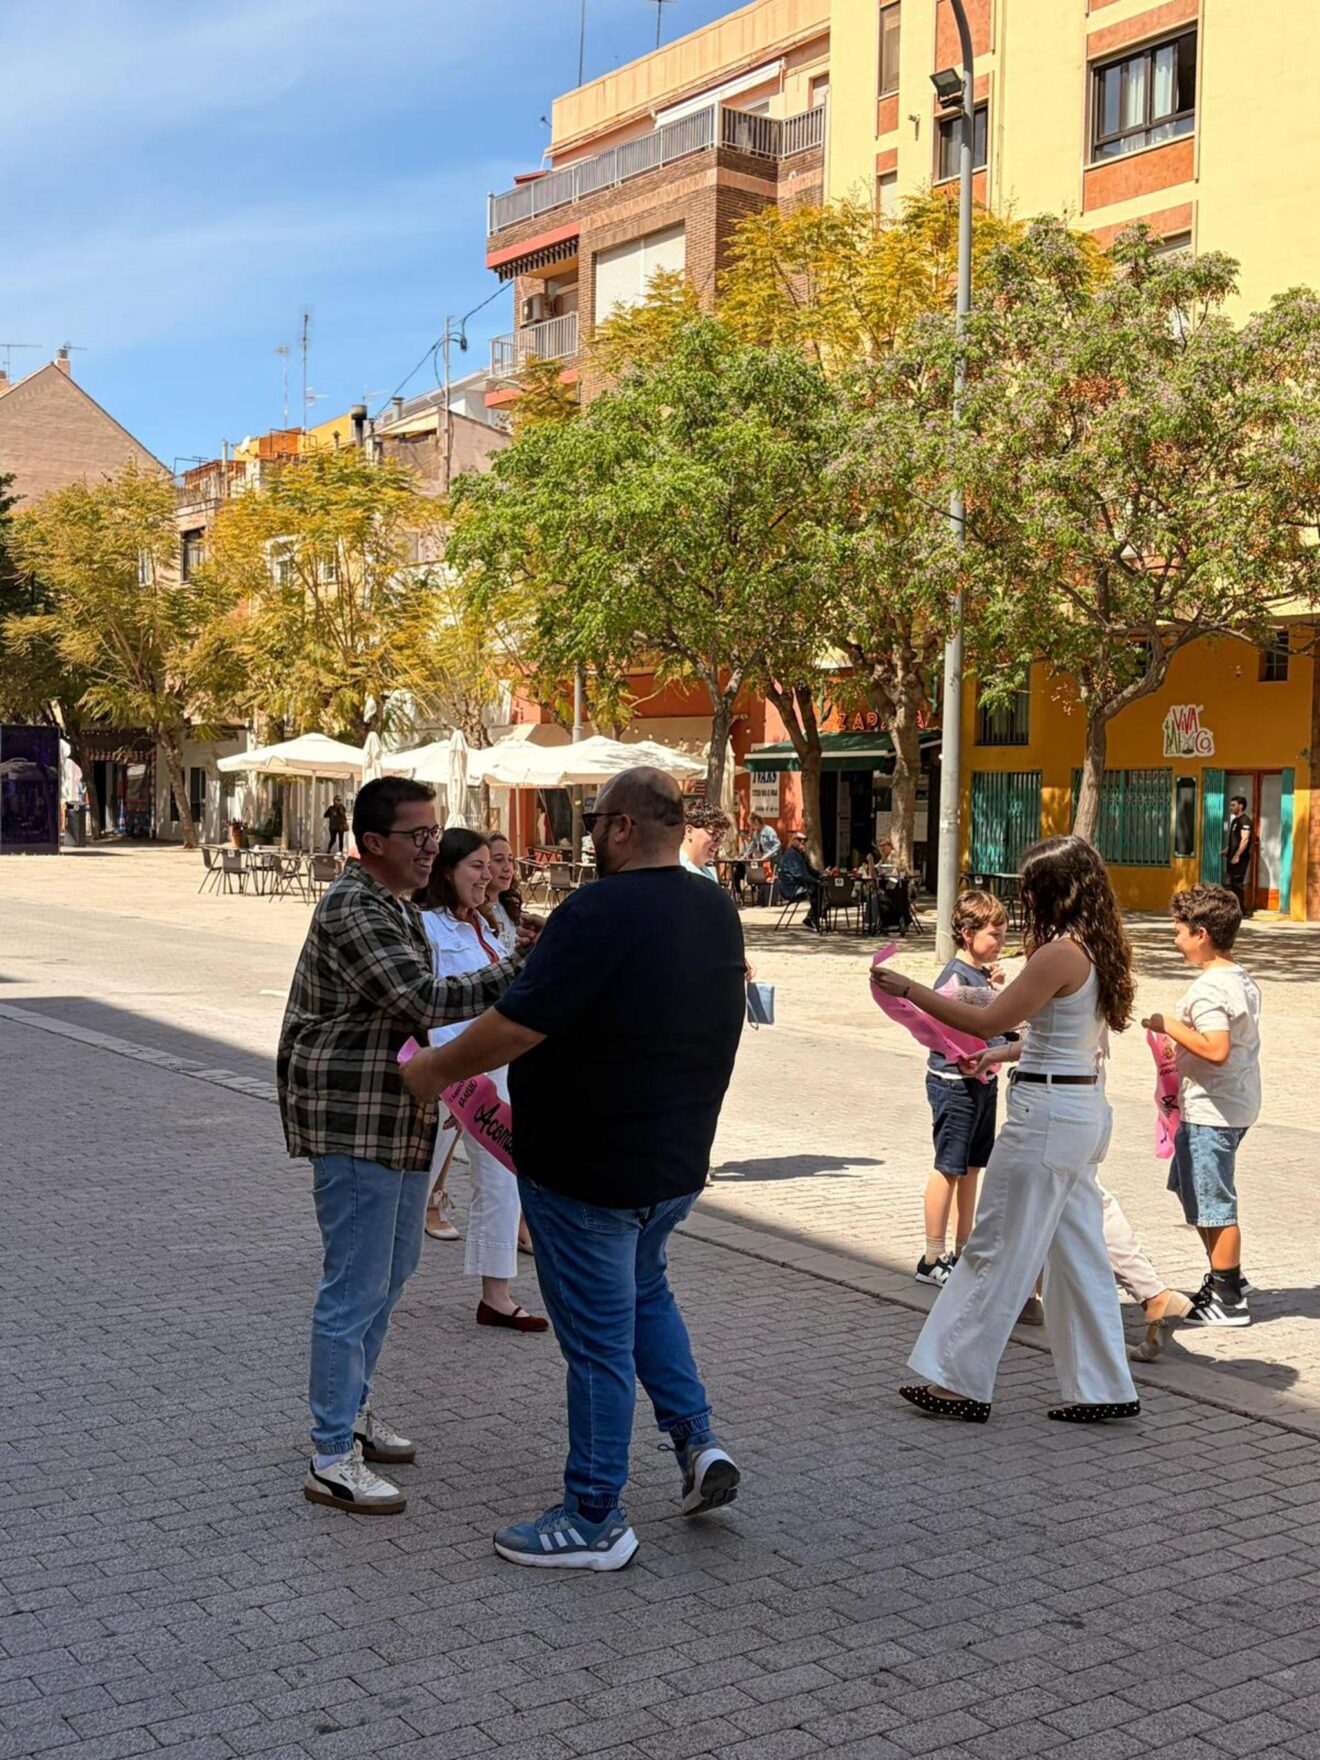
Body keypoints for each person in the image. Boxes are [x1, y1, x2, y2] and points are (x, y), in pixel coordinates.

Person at [401, 767, 746, 1571]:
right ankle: (697, 1444)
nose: (589, 833)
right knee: (644, 1293)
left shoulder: (597, 908)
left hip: (590, 1166)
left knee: (596, 1343)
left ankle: (595, 1515)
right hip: (672, 1164)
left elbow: (517, 1025)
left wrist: (433, 1071)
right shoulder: (713, 906)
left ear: (623, 827)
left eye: (595, 820)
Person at [280, 777, 524, 1515]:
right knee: (355, 1282)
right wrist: (525, 967)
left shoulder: (394, 905)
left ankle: (350, 1414)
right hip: (354, 1117)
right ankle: (329, 1454)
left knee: (393, 1269)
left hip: (398, 1113)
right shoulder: (357, 908)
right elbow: (424, 1000)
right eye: (418, 834)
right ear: (372, 843)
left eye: (435, 832)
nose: (432, 846)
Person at [872, 834, 1141, 1425]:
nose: (1023, 896)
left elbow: (988, 1017)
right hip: (1080, 1110)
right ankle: (1104, 1387)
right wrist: (996, 1058)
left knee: (995, 1246)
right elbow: (1060, 1039)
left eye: (1029, 886)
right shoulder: (1099, 946)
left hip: (1046, 1118)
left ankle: (958, 1381)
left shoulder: (1058, 953)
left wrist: (911, 989)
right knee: (1079, 1256)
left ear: (1052, 889)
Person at [416, 830, 546, 1333]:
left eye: (489, 866)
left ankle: (497, 1295)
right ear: (447, 870)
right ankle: (370, 1277)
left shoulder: (487, 927)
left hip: (494, 1074)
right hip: (447, 1073)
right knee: (415, 1182)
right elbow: (426, 1005)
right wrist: (443, 1068)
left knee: (501, 1181)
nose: (487, 875)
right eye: (475, 866)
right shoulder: (425, 927)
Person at [1142, 884, 1261, 1329]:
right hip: (1232, 1104)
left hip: (1212, 1111)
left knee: (1214, 1204)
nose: (1175, 940)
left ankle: (1229, 1298)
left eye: (1179, 931)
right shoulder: (1239, 978)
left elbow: (1216, 1048)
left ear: (1202, 934)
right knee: (1200, 1195)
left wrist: (1168, 1024)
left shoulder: (1209, 990)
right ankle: (1222, 1276)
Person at [916, 890, 1009, 1289]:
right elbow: (937, 1031)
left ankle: (964, 1247)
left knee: (972, 1167)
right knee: (949, 1167)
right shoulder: (953, 979)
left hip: (983, 1083)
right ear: (968, 933)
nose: (1001, 942)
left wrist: (998, 991)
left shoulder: (981, 977)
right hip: (955, 1084)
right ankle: (931, 1257)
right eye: (995, 934)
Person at [484, 832, 523, 954]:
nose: (507, 868)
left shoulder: (510, 908)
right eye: (499, 860)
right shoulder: (473, 914)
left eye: (510, 860)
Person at [776, 830, 824, 929]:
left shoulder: (800, 854)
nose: (802, 842)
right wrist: (816, 881)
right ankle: (813, 918)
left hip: (799, 885)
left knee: (822, 887)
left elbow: (810, 870)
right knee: (817, 888)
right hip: (792, 888)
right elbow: (799, 875)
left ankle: (813, 917)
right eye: (799, 839)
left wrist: (822, 874)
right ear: (792, 840)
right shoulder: (791, 855)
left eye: (804, 840)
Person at [680, 802, 730, 881]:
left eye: (721, 836)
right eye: (713, 833)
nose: (718, 842)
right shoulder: (677, 872)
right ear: (689, 831)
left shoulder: (705, 872)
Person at [1223, 795, 1254, 916]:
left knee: (1237, 883)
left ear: (1240, 806)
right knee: (1230, 884)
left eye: (1233, 805)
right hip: (1232, 856)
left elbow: (1245, 840)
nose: (1231, 808)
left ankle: (1242, 910)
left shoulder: (1245, 821)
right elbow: (1234, 839)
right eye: (1230, 805)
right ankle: (1234, 909)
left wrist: (1237, 855)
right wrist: (1227, 849)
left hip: (1240, 858)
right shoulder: (1235, 821)